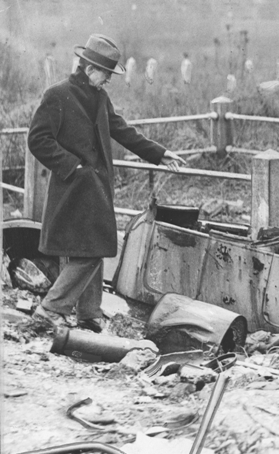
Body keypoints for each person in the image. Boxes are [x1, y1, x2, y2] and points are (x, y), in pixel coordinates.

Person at [28, 34, 186, 333]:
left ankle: (89, 315)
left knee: (89, 249)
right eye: (106, 74)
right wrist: (73, 167)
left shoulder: (99, 98)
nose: (109, 80)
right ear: (89, 70)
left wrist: (158, 153)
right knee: (91, 250)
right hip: (71, 189)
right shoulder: (56, 95)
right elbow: (37, 139)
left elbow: (121, 130)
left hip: (93, 189)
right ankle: (50, 309)